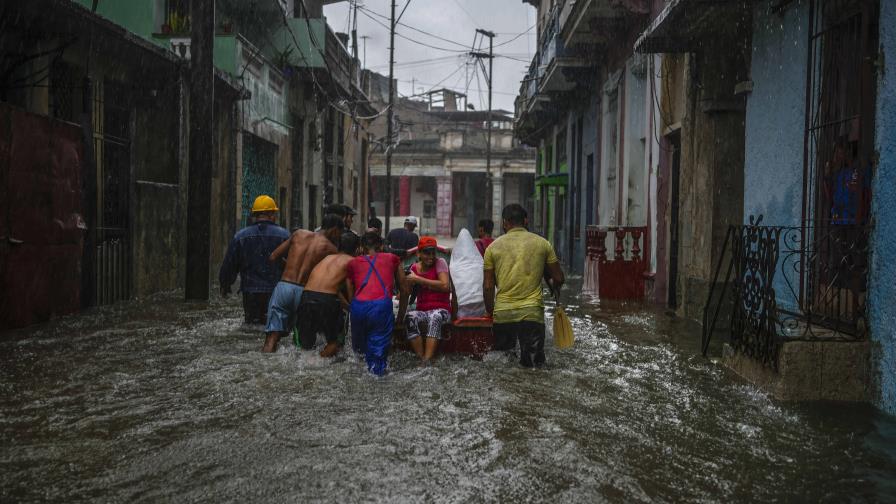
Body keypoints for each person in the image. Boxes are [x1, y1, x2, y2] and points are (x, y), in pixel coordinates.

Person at [483, 204, 565, 367]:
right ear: (525, 221)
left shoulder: (492, 248)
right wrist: (554, 286)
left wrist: (491, 311)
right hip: (532, 314)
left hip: (503, 313)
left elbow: (488, 286)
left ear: (504, 222)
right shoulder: (543, 244)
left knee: (503, 365)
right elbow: (559, 277)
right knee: (534, 367)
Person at [262, 214, 344, 353]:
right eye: (339, 234)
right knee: (301, 341)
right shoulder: (331, 249)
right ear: (335, 230)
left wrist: (289, 268)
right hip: (305, 293)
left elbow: (273, 257)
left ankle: (265, 361)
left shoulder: (299, 234)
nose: (339, 237)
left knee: (272, 337)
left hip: (284, 287)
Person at [219, 195, 290, 325]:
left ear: (254, 215)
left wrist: (225, 284)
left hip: (250, 292)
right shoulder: (285, 236)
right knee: (273, 327)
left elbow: (230, 264)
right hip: (275, 292)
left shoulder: (240, 237)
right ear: (271, 214)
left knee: (252, 326)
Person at [346, 231, 408, 375]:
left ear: (361, 248)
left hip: (357, 307)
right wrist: (400, 318)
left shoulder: (352, 263)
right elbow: (405, 290)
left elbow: (349, 288)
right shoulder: (392, 258)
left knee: (359, 355)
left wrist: (353, 308)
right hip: (380, 308)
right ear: (381, 246)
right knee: (377, 361)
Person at [298, 232, 360, 357]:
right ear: (357, 249)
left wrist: (347, 306)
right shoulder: (353, 261)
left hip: (306, 296)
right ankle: (317, 363)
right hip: (327, 300)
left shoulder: (327, 258)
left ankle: (306, 364)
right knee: (334, 344)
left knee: (307, 345)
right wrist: (354, 307)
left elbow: (330, 288)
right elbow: (349, 287)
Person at [403, 236, 452, 363]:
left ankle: (427, 359)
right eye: (426, 253)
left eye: (433, 253)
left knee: (435, 316)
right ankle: (421, 359)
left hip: (442, 310)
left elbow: (445, 285)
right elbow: (406, 293)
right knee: (410, 317)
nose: (431, 256)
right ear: (418, 254)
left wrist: (418, 279)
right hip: (422, 311)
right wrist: (406, 282)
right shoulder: (413, 269)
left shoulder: (440, 262)